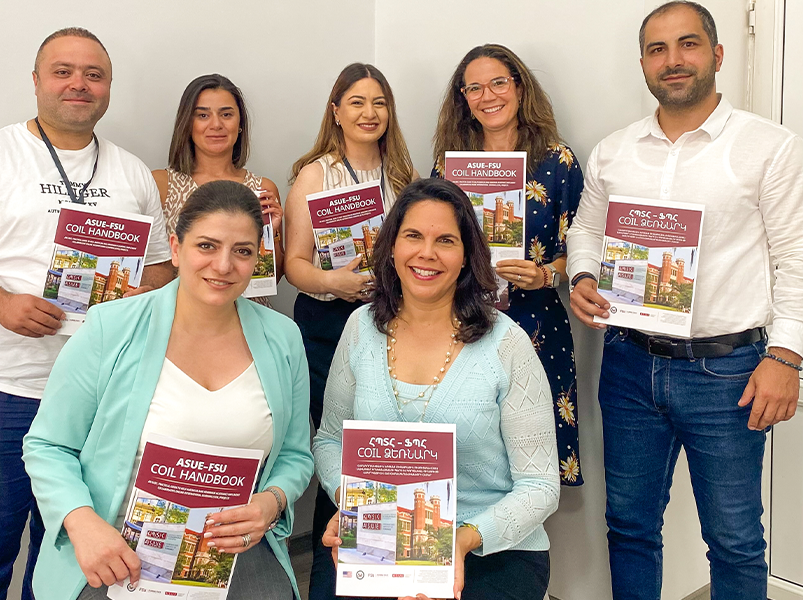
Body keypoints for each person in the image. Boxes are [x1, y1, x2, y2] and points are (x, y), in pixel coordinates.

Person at [0, 28, 172, 600]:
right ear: (36, 81)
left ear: (108, 88)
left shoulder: (131, 172)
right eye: (63, 71)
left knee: (65, 560)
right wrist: (1, 305)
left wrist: (132, 292)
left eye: (94, 75)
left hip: (95, 397)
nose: (79, 84)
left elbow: (161, 270)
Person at [566, 3, 803, 599]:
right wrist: (582, 275)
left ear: (717, 54)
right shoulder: (614, 150)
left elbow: (796, 259)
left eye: (688, 44)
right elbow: (587, 229)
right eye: (657, 49)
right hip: (628, 364)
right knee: (629, 527)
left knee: (734, 539)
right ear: (643, 63)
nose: (673, 60)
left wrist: (787, 356)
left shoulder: (769, 147)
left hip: (727, 373)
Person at [22, 181, 314, 600]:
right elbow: (48, 445)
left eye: (242, 251)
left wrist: (272, 501)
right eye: (207, 246)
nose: (223, 265)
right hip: (118, 550)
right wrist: (82, 522)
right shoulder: (110, 327)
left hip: (231, 551)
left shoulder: (283, 338)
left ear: (257, 259)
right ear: (176, 249)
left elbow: (295, 455)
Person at [313, 178, 560, 600]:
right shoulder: (359, 329)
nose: (426, 253)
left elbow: (540, 486)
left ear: (466, 256)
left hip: (488, 548)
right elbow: (329, 441)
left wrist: (459, 542)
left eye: (445, 240)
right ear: (392, 247)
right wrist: (353, 504)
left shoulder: (507, 344)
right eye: (413, 236)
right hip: (382, 534)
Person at [283, 62, 417, 599]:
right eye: (357, 102)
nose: (369, 112)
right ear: (336, 111)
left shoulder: (404, 176)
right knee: (340, 451)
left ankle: (386, 571)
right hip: (327, 325)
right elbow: (294, 265)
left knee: (383, 446)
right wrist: (333, 282)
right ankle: (329, 583)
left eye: (379, 102)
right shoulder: (314, 175)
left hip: (392, 322)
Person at [432, 44, 585, 486]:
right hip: (461, 323)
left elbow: (582, 248)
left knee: (533, 463)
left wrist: (546, 275)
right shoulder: (450, 164)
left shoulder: (558, 161)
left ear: (519, 87)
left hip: (536, 326)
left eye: (499, 82)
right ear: (463, 99)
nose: (488, 96)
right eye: (474, 88)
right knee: (467, 457)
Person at [153, 74, 284, 307]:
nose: (216, 125)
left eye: (226, 114)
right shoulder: (161, 184)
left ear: (240, 124)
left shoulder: (263, 188)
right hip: (182, 316)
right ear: (187, 123)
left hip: (247, 315)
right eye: (203, 115)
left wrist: (269, 236)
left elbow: (273, 279)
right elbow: (152, 267)